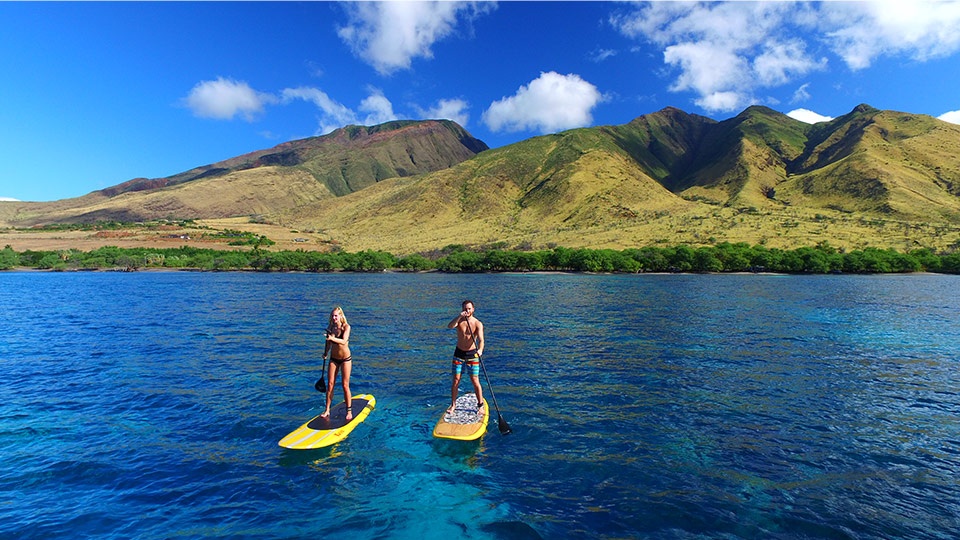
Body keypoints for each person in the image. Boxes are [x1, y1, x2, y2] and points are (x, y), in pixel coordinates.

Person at [446, 299, 484, 415]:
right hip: (459, 354)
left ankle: (480, 405)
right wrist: (459, 317)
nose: (467, 311)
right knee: (456, 380)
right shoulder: (459, 321)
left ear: (473, 309)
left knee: (475, 380)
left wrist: (480, 350)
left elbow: (481, 340)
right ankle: (453, 405)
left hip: (472, 354)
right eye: (465, 309)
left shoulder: (478, 323)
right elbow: (450, 326)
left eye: (469, 309)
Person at [320, 306, 353, 420]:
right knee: (330, 384)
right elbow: (329, 344)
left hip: (345, 359)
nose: (334, 318)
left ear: (340, 316)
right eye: (332, 316)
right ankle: (327, 410)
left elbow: (344, 341)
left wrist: (331, 339)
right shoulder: (331, 328)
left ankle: (349, 410)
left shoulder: (346, 327)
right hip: (333, 359)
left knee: (345, 385)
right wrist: (325, 353)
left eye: (336, 316)